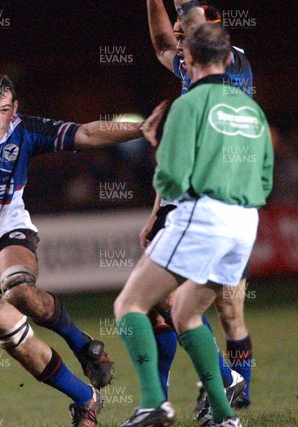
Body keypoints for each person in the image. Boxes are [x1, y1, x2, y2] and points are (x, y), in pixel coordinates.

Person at [0, 72, 165, 427]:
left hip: (10, 231)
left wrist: (141, 128)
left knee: (19, 290)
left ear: (13, 110)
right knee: (17, 344)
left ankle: (82, 345)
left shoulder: (27, 130)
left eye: (3, 110)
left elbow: (87, 132)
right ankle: (86, 399)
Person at [115, 23, 273, 427]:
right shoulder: (251, 109)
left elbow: (171, 180)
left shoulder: (189, 105)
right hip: (245, 223)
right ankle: (224, 417)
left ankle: (153, 403)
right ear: (227, 59)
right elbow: (266, 178)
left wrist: (157, 146)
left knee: (130, 304)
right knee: (186, 313)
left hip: (204, 216)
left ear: (188, 60)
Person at [143, 0, 255, 413]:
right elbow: (160, 45)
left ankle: (227, 389)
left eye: (182, 21)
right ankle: (219, 388)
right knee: (167, 302)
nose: (175, 30)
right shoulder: (196, 68)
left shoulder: (229, 64)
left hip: (224, 199)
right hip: (196, 197)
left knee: (228, 311)